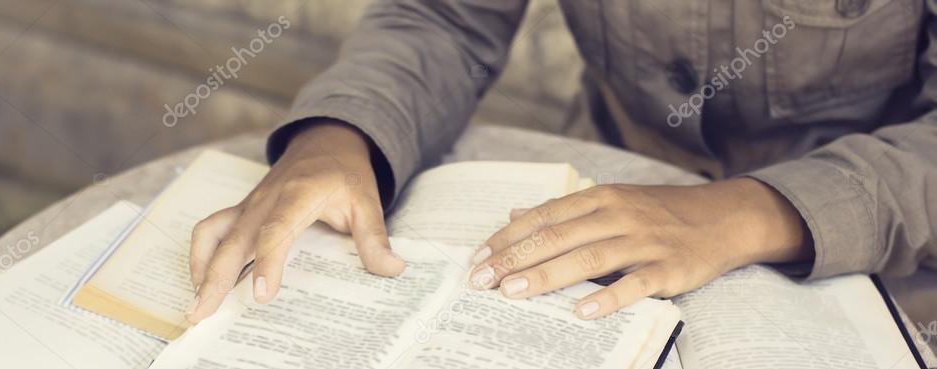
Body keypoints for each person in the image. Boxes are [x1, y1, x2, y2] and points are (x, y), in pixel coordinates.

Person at [186, 0, 937, 323]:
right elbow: (445, 18)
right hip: (597, 207)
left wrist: (750, 211)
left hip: (882, 276)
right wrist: (339, 137)